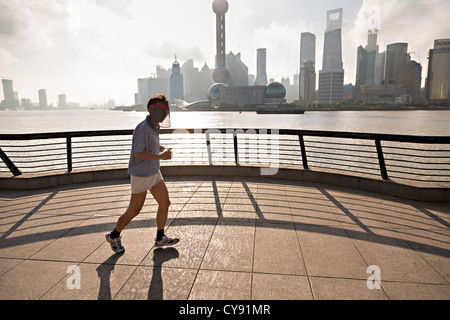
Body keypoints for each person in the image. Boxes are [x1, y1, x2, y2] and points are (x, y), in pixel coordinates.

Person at [105, 94, 179, 254]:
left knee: (165, 203)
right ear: (150, 109)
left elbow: (147, 146)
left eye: (165, 111)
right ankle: (113, 235)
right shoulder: (142, 128)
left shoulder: (154, 126)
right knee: (134, 210)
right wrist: (161, 156)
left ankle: (160, 237)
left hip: (154, 172)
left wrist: (158, 147)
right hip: (141, 175)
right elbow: (138, 153)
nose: (163, 114)